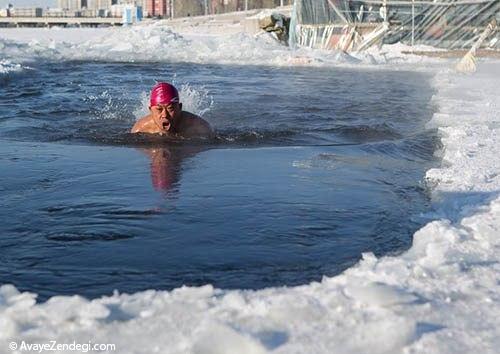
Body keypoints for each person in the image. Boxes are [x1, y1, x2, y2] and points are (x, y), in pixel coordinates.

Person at [131, 82, 212, 138]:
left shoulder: (200, 128)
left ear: (179, 108)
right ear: (150, 110)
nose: (165, 115)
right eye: (159, 109)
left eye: (170, 109)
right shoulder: (140, 129)